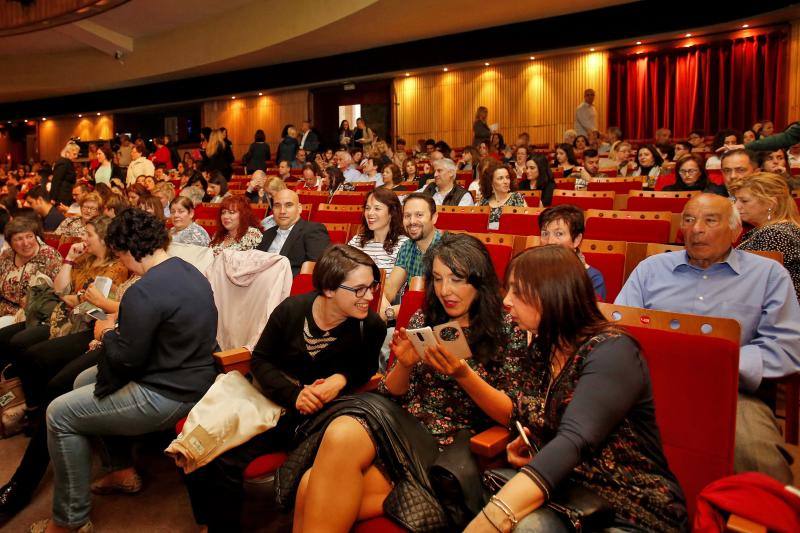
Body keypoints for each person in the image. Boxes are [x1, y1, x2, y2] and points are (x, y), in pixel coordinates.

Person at [293, 233, 530, 532]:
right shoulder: (426, 317)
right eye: (439, 279)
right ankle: (405, 497)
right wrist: (404, 365)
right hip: (402, 428)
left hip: (452, 447)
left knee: (311, 485)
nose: (446, 291)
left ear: (478, 280)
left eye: (457, 279)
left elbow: (512, 415)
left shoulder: (508, 328)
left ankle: (419, 495)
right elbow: (393, 390)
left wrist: (463, 375)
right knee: (319, 466)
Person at [464, 245, 688, 533]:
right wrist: (539, 449)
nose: (506, 301)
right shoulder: (544, 347)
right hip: (569, 494)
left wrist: (489, 521)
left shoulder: (613, 351)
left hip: (632, 505)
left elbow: (576, 439)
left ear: (552, 294)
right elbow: (525, 414)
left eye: (518, 292)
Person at [32, 209, 218, 533]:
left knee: (59, 414)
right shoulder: (190, 271)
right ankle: (121, 468)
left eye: (120, 255)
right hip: (193, 376)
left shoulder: (144, 290)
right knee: (82, 380)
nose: (121, 262)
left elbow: (125, 360)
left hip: (168, 393)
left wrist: (105, 332)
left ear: (130, 250)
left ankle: (69, 521)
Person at [184, 244, 386, 532]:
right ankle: (213, 522)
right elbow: (261, 360)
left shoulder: (371, 326)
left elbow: (365, 368)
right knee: (207, 447)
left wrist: (340, 379)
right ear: (329, 289)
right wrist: (296, 396)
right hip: (277, 403)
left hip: (323, 421)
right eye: (360, 289)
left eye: (372, 286)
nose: (370, 296)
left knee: (227, 460)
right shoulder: (292, 311)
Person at [616, 194, 800, 484]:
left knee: (755, 456)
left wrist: (720, 363)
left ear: (735, 231)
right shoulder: (651, 269)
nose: (696, 228)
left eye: (710, 220)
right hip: (649, 386)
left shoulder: (768, 275)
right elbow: (619, 330)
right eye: (688, 220)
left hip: (729, 393)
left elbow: (787, 347)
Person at [731, 173, 800, 301]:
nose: (736, 206)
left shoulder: (774, 234)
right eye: (736, 200)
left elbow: (752, 284)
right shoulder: (779, 229)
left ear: (771, 203)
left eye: (744, 201)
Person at [382, 193, 441, 306]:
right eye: (407, 216)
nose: (412, 221)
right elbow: (390, 288)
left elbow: (438, 302)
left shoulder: (447, 248)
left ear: (434, 218)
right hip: (412, 314)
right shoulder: (407, 247)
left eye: (419, 215)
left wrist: (393, 312)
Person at [538, 205, 607, 300]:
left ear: (576, 240)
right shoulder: (531, 269)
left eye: (559, 234)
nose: (550, 241)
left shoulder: (591, 278)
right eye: (545, 233)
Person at [256, 189, 330, 275]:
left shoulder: (313, 230)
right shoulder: (268, 234)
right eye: (277, 206)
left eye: (288, 205)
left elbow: (319, 269)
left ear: (299, 208)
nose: (282, 211)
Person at [0, 217, 62, 320]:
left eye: (29, 236)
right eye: (19, 239)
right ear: (10, 243)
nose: (26, 243)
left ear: (36, 236)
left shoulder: (50, 257)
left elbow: (60, 292)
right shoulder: (8, 255)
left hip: (28, 316)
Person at [347, 188, 408, 274]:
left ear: (391, 212)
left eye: (377, 208)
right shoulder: (356, 241)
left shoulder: (404, 245)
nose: (370, 213)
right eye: (367, 208)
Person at [479, 161, 525, 228]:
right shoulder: (484, 201)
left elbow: (524, 224)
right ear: (491, 182)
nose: (506, 182)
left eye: (507, 177)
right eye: (500, 178)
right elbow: (479, 226)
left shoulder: (517, 197)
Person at [50, 141, 80, 207]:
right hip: (62, 197)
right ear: (67, 153)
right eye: (74, 154)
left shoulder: (68, 162)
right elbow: (56, 181)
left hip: (66, 195)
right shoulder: (64, 163)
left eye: (77, 154)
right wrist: (53, 198)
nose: (76, 156)